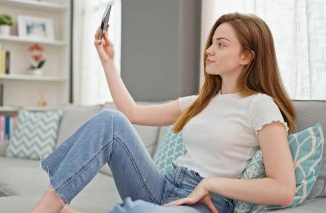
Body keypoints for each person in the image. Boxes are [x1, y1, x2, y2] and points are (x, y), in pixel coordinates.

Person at [32, 12, 297, 213]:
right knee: (110, 119)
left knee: (131, 211)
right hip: (162, 187)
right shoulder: (201, 101)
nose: (209, 50)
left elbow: (283, 189)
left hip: (202, 204)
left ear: (247, 57)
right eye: (211, 43)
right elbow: (132, 113)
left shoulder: (260, 105)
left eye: (221, 44)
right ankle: (50, 205)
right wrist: (108, 62)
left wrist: (212, 184)